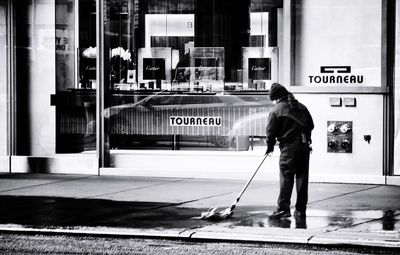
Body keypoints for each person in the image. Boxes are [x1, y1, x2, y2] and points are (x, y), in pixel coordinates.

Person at [265, 83, 314, 219]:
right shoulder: (301, 107)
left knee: (286, 177)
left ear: (277, 98)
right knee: (302, 178)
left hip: (289, 148)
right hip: (304, 146)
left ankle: (283, 209)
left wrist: (269, 147)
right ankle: (300, 210)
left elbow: (270, 132)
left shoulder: (276, 110)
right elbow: (311, 125)